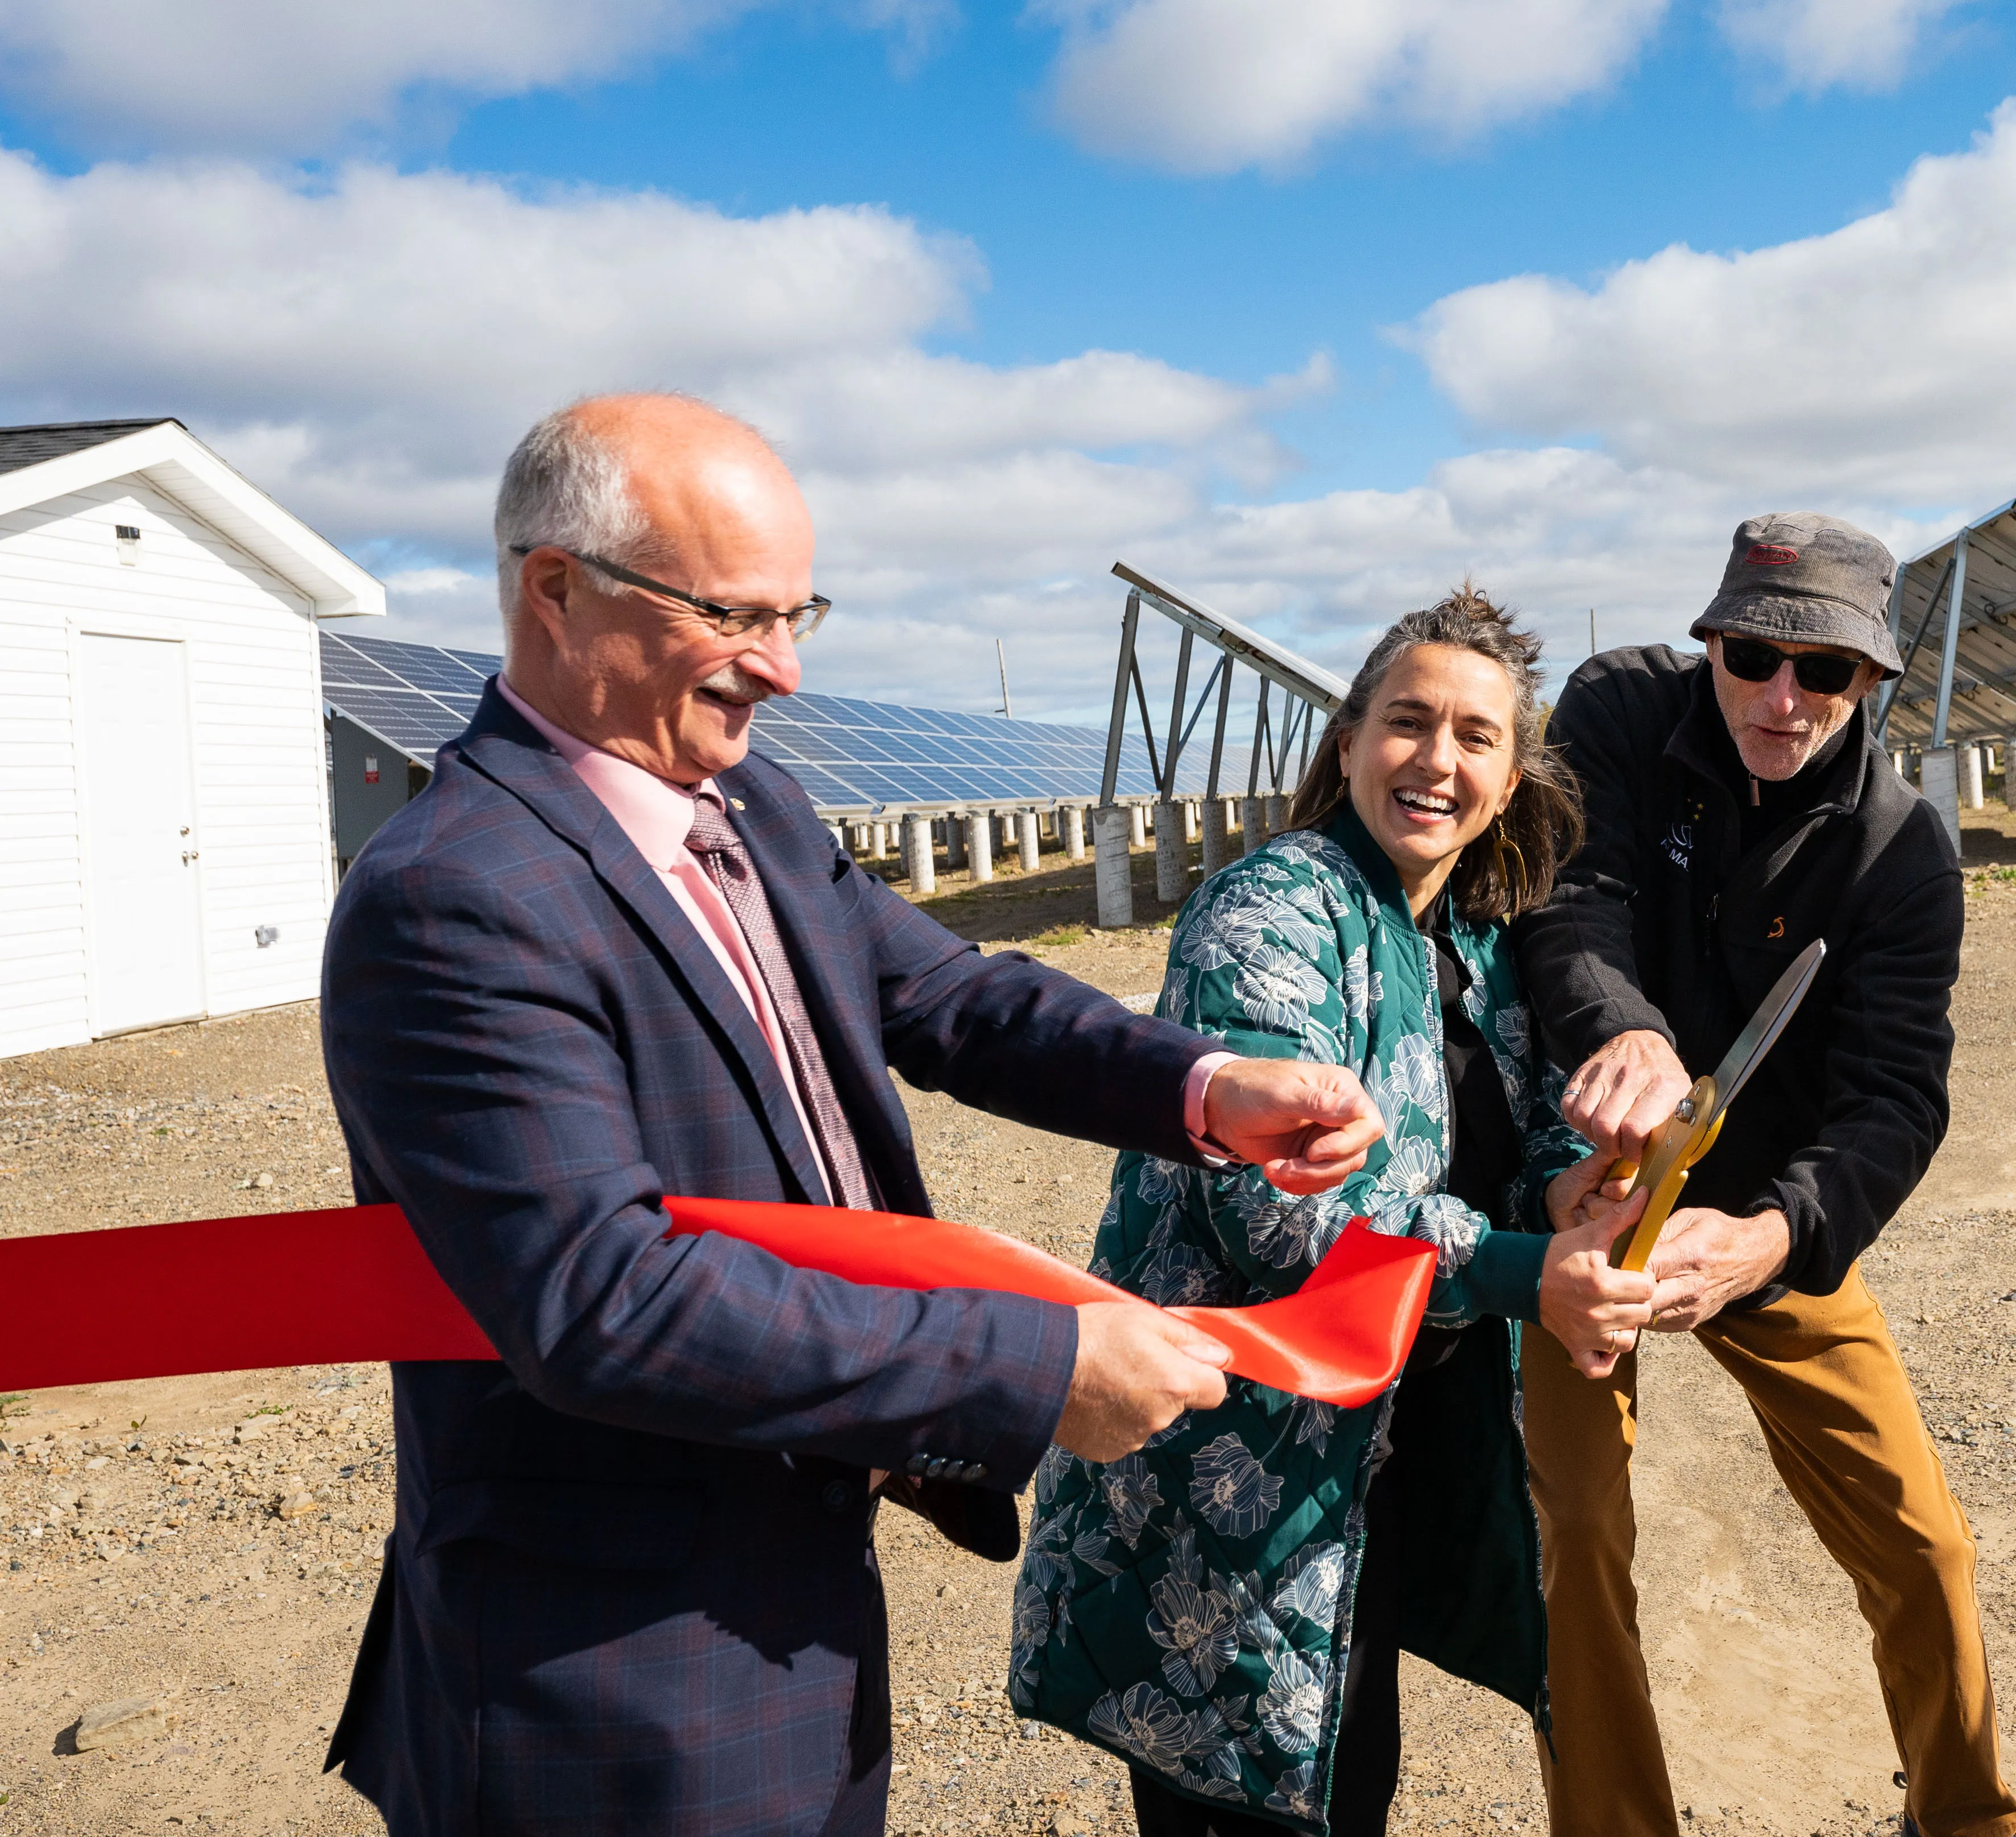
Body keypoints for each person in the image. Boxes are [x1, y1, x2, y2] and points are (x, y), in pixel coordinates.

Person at [321, 394, 1385, 1837]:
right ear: (557, 591)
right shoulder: (460, 895)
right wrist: (1035, 1363)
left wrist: (1202, 1086)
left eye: (798, 609)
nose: (787, 667)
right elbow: (605, 1297)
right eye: (733, 615)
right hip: (611, 1663)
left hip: (787, 1592)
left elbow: (951, 995)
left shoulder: (751, 805)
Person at [1013, 587, 1657, 1837]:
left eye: (1476, 735)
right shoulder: (1270, 910)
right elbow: (1286, 1210)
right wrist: (1532, 1265)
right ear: (1350, 738)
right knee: (1254, 1798)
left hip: (1356, 1479)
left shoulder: (1469, 937)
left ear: (1512, 775)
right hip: (1222, 1484)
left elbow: (1498, 1138)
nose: (1438, 758)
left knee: (1343, 1781)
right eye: (1409, 722)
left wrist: (1565, 1185)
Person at [1515, 514, 2016, 1837]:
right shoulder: (1620, 710)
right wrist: (1620, 1025)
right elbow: (1573, 895)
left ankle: (1967, 1820)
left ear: (1872, 681)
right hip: (1597, 1186)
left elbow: (1894, 1095)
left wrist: (1774, 1235)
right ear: (1709, 643)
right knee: (1572, 1530)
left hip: (1763, 1212)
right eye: (1749, 656)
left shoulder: (1901, 849)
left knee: (1921, 1541)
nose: (1781, 698)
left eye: (1825, 671)